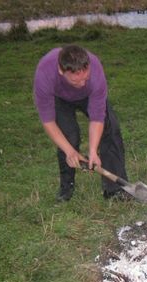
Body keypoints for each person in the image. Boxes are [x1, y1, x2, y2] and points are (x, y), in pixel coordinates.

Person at [33, 44, 129, 202]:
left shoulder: (95, 71)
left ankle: (115, 189)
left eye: (85, 78)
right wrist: (70, 151)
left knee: (110, 127)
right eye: (76, 81)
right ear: (61, 71)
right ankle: (67, 187)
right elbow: (48, 122)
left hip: (88, 97)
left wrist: (92, 151)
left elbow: (97, 117)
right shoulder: (45, 73)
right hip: (60, 98)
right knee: (69, 137)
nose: (82, 84)